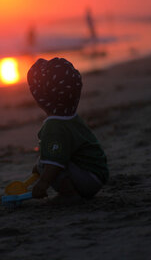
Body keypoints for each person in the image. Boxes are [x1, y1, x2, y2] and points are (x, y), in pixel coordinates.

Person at [26, 57, 108, 204]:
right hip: (97, 174)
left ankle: (69, 195)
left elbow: (55, 162)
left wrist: (43, 183)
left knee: (49, 163)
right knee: (44, 161)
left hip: (88, 179)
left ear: (42, 99)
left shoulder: (54, 126)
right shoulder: (71, 118)